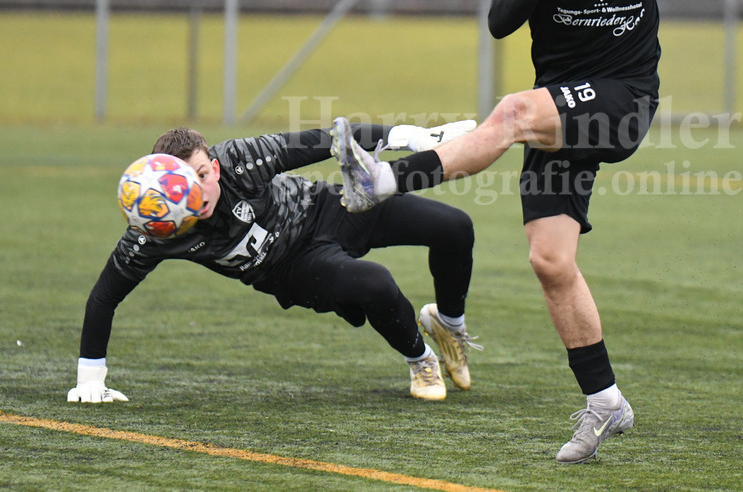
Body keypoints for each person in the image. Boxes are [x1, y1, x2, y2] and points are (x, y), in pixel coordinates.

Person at [331, 0, 743, 462]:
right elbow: (499, 23)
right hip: (562, 112)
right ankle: (605, 402)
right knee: (549, 260)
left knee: (512, 110)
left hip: (624, 101)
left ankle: (381, 182)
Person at [67, 120, 481, 404]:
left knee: (455, 227)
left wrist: (408, 135)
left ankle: (450, 326)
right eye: (181, 182)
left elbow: (327, 139)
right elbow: (104, 297)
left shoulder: (237, 161)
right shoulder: (159, 226)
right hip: (292, 269)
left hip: (326, 209)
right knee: (375, 283)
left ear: (213, 165)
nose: (195, 189)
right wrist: (90, 381)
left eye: (201, 175)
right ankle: (421, 359)